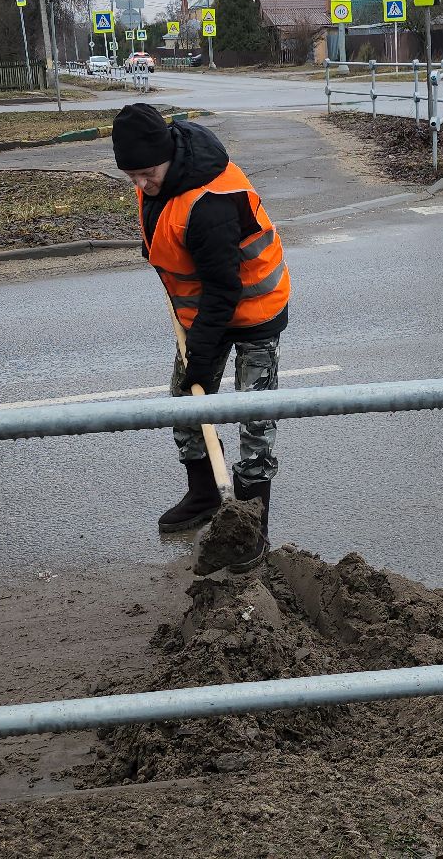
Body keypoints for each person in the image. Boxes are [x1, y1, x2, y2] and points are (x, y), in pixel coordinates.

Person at [112, 103, 290, 571]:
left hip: (254, 310)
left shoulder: (210, 201)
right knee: (185, 404)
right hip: (201, 312)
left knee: (254, 419)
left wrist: (201, 356)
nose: (140, 184)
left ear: (167, 155)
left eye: (146, 174)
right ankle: (206, 494)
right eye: (131, 176)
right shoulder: (159, 177)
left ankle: (253, 525)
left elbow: (224, 288)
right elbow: (167, 229)